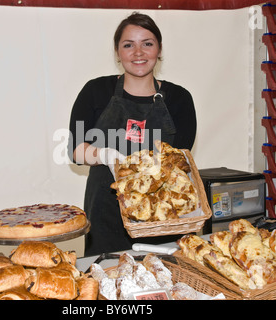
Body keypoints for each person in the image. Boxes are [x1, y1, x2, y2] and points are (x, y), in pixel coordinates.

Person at [68, 12, 197, 257]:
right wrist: (103, 154)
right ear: (118, 52)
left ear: (159, 50)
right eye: (129, 45)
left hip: (162, 212)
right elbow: (75, 149)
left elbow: (180, 159)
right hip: (106, 210)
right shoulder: (96, 90)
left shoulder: (180, 98)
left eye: (147, 44)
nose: (138, 53)